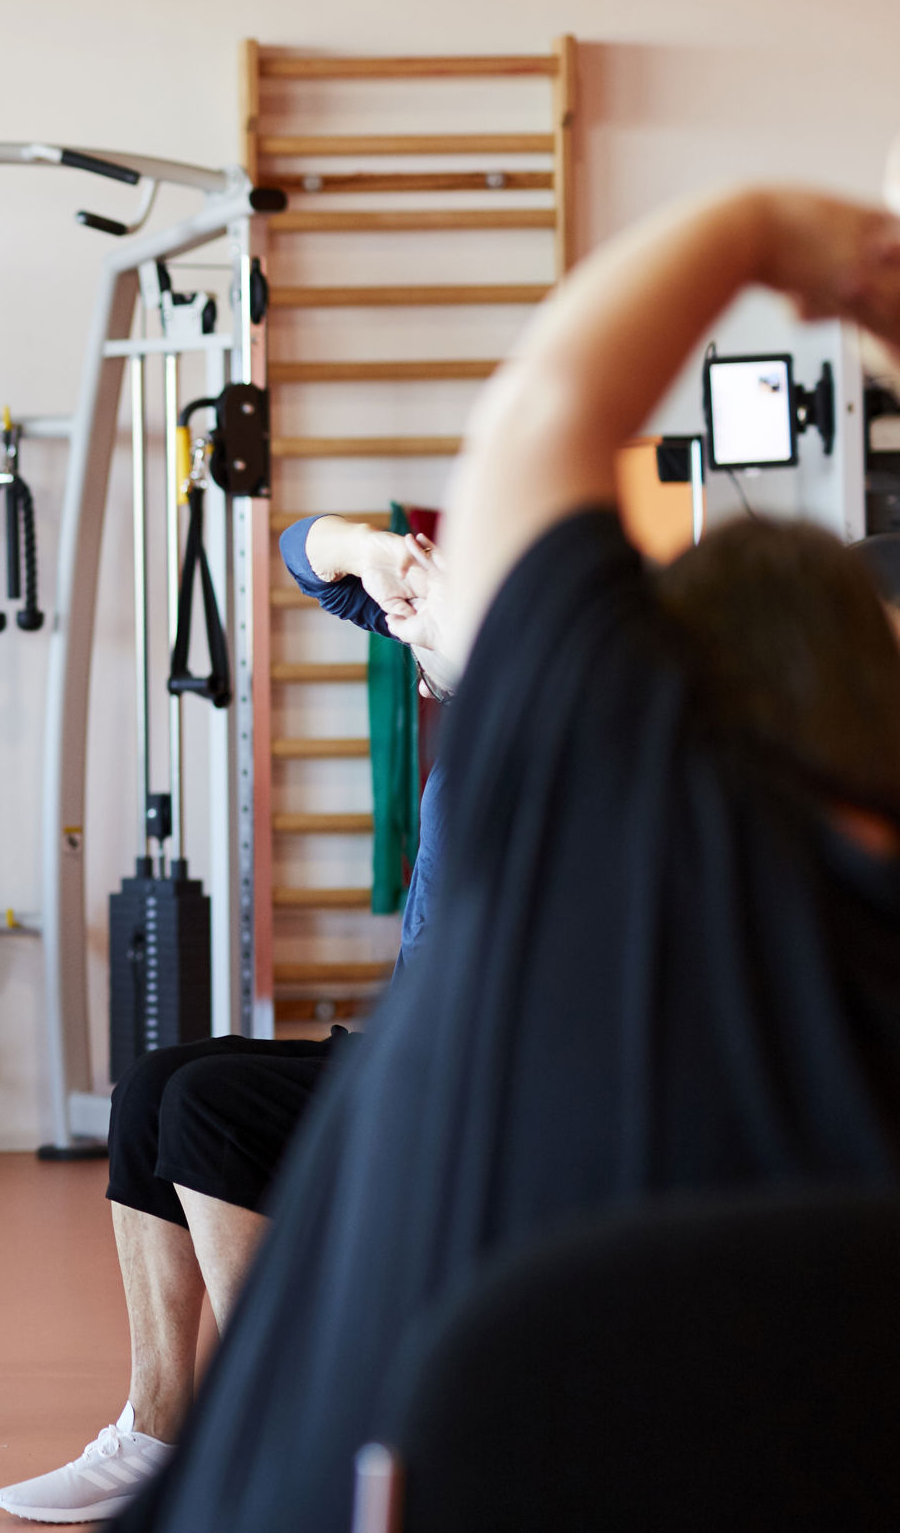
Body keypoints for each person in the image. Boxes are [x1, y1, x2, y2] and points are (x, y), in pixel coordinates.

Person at [114, 182, 900, 1532]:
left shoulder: (561, 800)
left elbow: (546, 408)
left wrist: (774, 232)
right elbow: (313, 545)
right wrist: (372, 550)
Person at [0, 512, 462, 1524]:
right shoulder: (476, 675)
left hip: (471, 1071)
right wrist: (377, 553)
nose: (411, 627)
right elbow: (304, 553)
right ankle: (159, 1430)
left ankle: (291, 1435)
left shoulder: (560, 717)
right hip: (408, 1046)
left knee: (212, 1107)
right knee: (154, 1083)